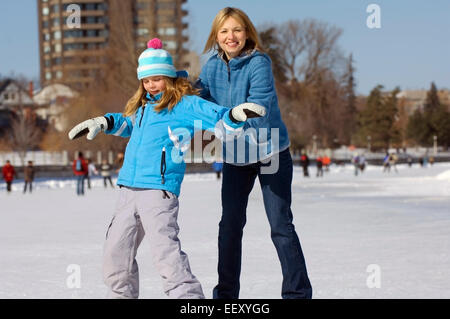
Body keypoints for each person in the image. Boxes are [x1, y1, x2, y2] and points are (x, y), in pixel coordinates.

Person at [67, 38, 265, 299]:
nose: (151, 85)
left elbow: (214, 115)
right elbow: (127, 124)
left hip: (158, 191)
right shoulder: (143, 107)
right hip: (128, 189)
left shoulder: (182, 105)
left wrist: (235, 115)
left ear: (169, 78)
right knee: (115, 253)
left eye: (157, 79)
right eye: (146, 80)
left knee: (165, 252)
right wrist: (104, 122)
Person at [196, 7, 312, 299]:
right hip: (236, 156)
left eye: (236, 30)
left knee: (280, 226)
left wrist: (227, 125)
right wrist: (177, 86)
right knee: (230, 226)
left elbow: (259, 109)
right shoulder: (211, 66)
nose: (230, 36)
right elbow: (201, 100)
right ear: (216, 36)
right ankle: (225, 295)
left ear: (246, 32)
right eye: (224, 31)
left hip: (270, 150)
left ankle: (297, 294)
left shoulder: (259, 62)